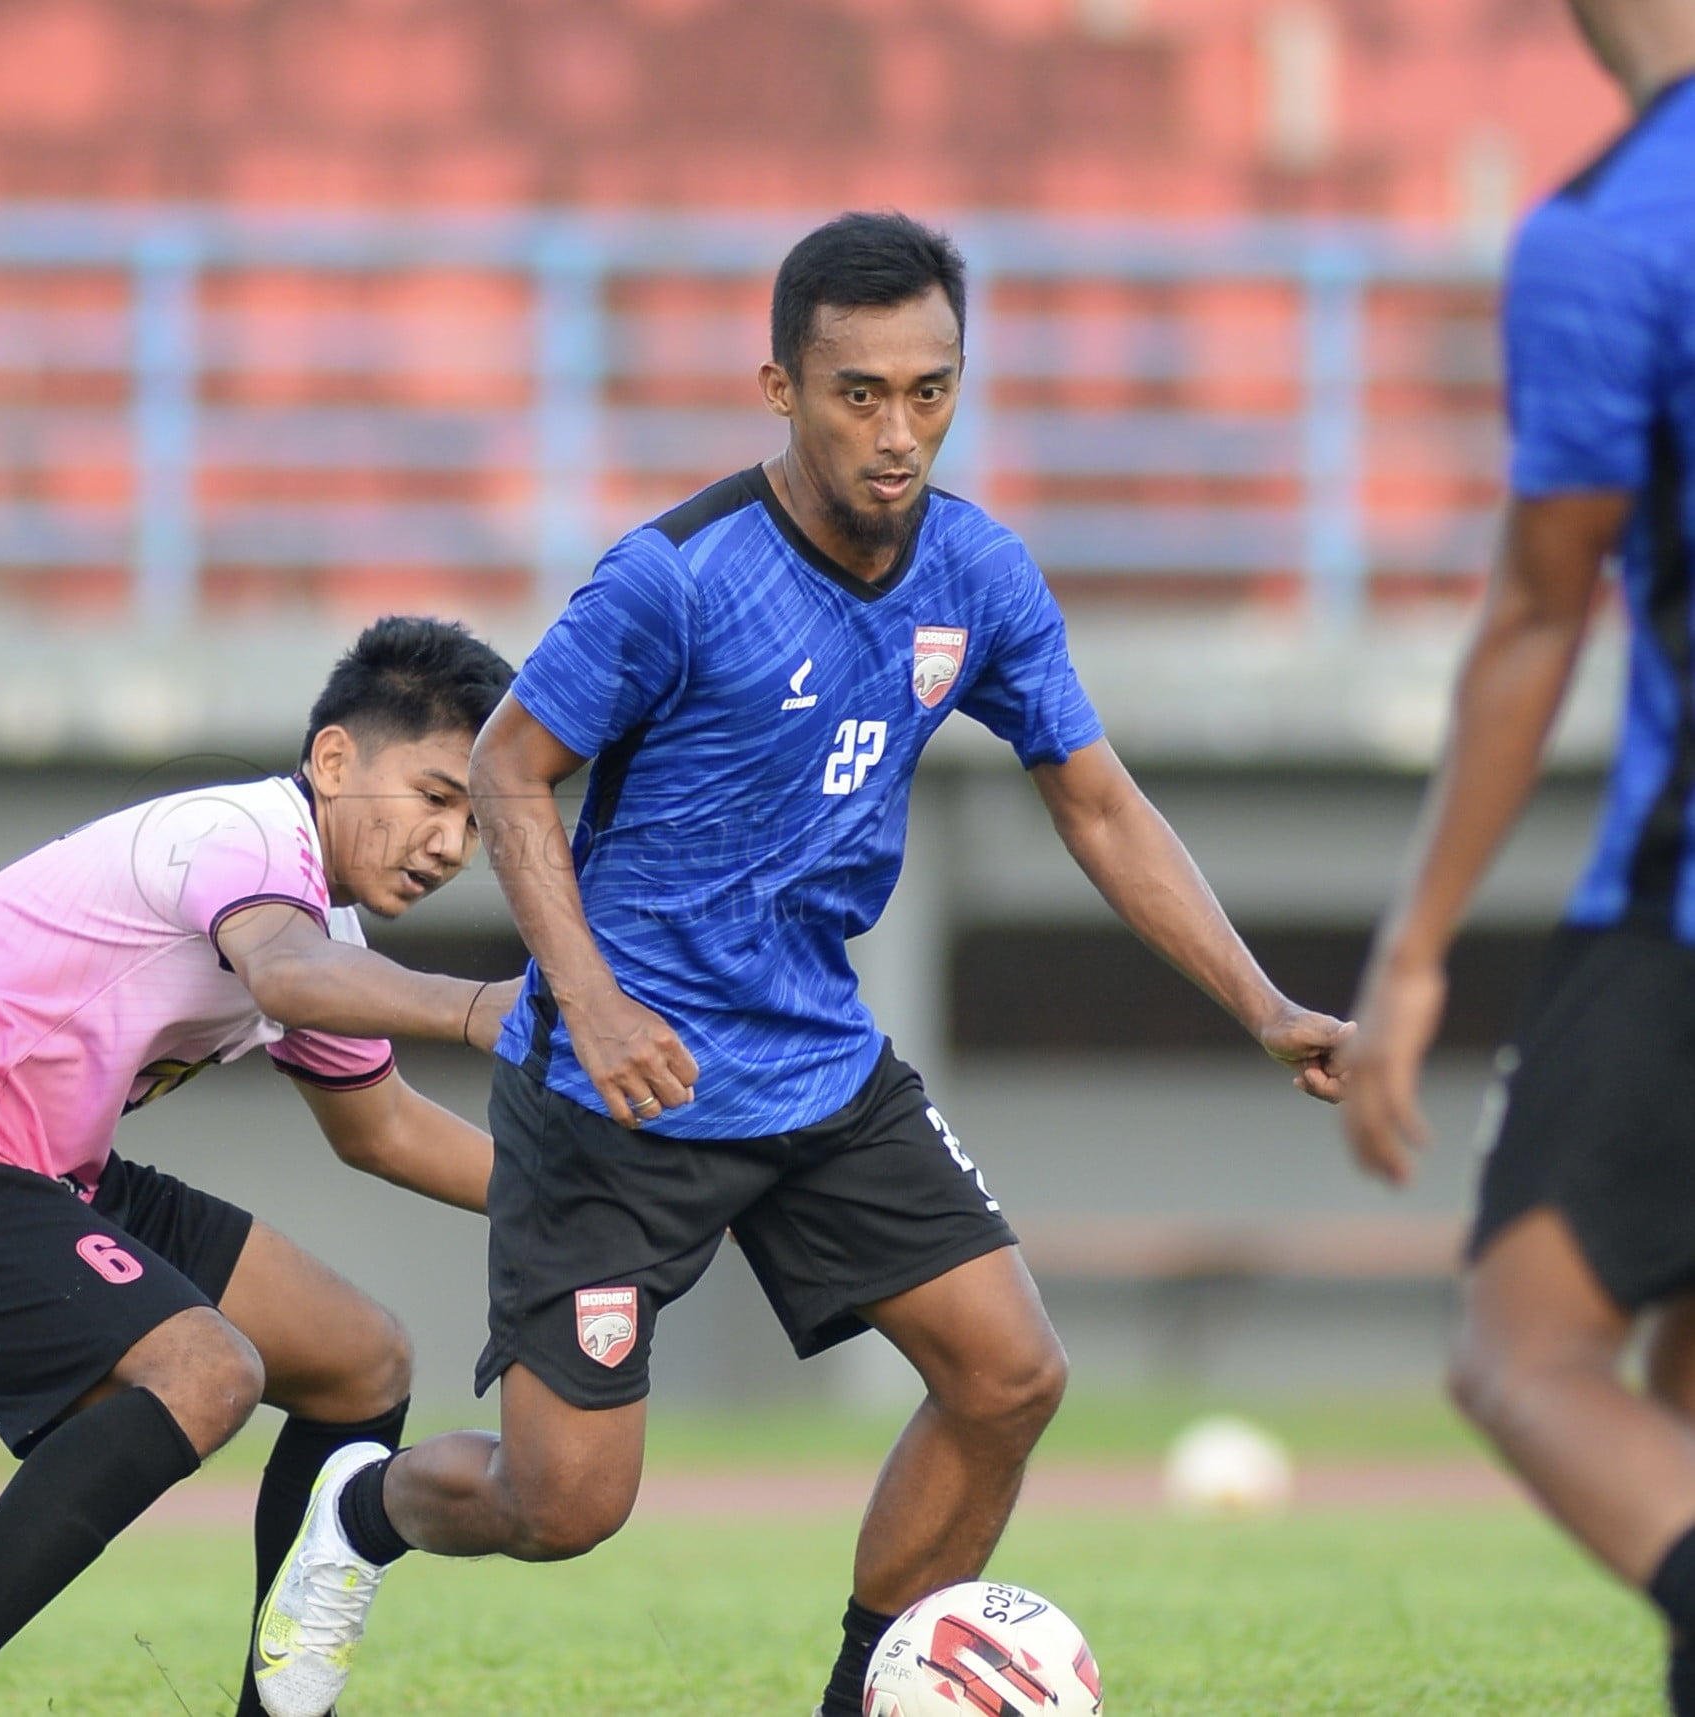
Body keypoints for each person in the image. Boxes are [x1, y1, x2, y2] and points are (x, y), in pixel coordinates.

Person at [247, 212, 1352, 1717]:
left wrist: (1265, 1004)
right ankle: (360, 1514)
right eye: (858, 393)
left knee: (1010, 1374)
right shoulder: (675, 579)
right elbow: (511, 776)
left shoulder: (977, 574)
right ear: (779, 387)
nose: (897, 433)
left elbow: (1094, 799)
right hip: (618, 1092)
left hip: (820, 1064)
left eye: (930, 389)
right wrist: (591, 998)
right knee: (564, 1506)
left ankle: (863, 1699)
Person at [0, 616, 519, 1717]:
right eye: (433, 796)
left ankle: (279, 1711)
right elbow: (286, 981)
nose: (449, 845)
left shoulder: (317, 927)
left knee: (360, 1360)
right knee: (207, 1369)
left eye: (474, 819)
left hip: (45, 1174)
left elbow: (379, 1129)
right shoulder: (242, 836)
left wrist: (593, 1206)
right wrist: (482, 1009)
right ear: (334, 760)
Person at [1340, 4, 1695, 1710]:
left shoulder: (1608, 231)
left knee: (1521, 1343)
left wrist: (1410, 949)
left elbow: (1538, 611)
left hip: (1676, 907)